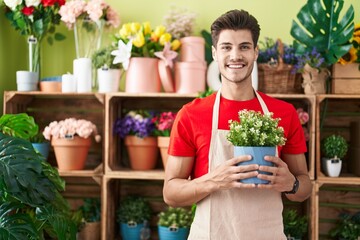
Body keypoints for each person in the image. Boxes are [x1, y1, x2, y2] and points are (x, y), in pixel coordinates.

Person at [162, 9, 312, 239]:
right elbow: (171, 193)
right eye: (226, 47)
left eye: (244, 46)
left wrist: (291, 184)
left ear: (255, 52)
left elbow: (304, 188)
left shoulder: (284, 113)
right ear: (214, 52)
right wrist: (213, 181)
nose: (235, 55)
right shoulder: (191, 115)